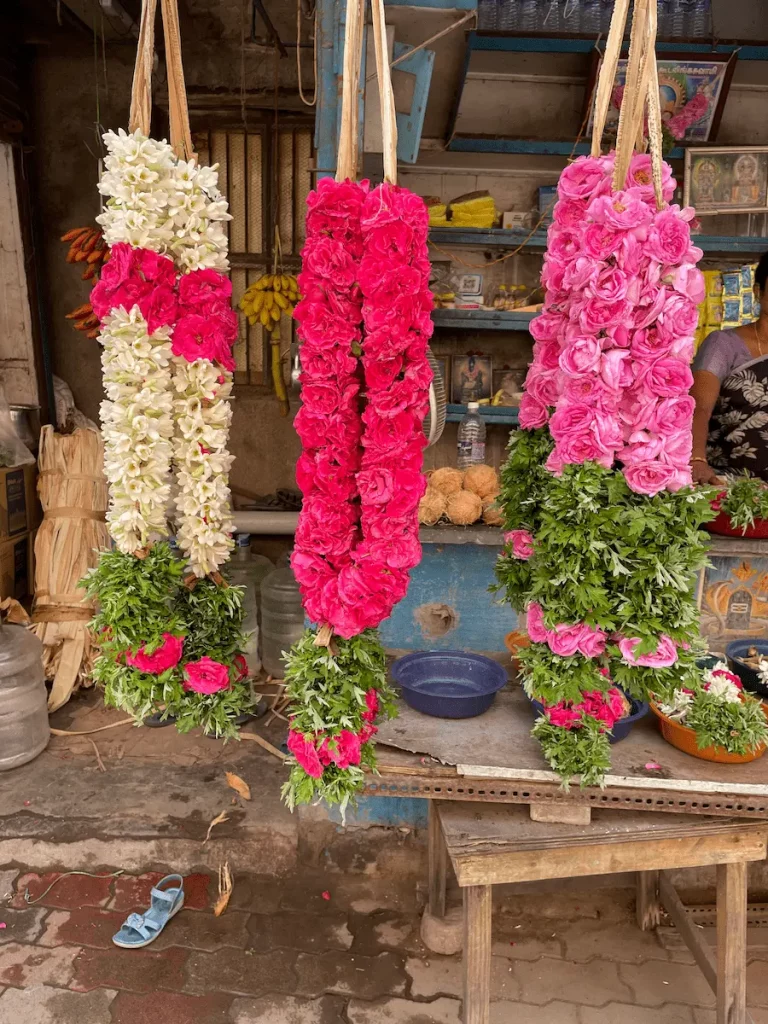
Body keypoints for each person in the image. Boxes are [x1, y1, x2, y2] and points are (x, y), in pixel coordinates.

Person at [690, 252, 768, 484]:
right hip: (731, 486)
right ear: (758, 292)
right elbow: (699, 407)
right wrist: (697, 460)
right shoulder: (723, 344)